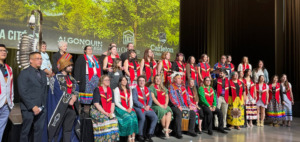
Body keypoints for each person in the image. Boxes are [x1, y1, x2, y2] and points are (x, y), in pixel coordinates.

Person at [45, 59, 80, 142]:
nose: (71, 67)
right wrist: (69, 99)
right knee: (56, 129)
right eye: (69, 65)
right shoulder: (55, 78)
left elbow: (76, 88)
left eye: (71, 65)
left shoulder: (72, 79)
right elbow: (57, 92)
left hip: (71, 108)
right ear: (63, 66)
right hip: (60, 108)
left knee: (68, 130)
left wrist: (74, 96)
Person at [18, 52, 47, 142]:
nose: (40, 61)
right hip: (28, 108)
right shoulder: (24, 73)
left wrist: (43, 105)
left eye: (41, 59)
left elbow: (44, 90)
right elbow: (22, 92)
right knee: (25, 132)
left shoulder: (43, 73)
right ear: (31, 60)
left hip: (41, 108)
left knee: (39, 132)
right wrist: (32, 106)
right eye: (37, 59)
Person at [90, 75, 119, 141]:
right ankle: (103, 140)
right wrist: (105, 113)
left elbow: (112, 102)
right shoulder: (97, 89)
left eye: (108, 80)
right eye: (106, 80)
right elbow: (96, 104)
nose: (108, 81)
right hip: (97, 110)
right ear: (102, 81)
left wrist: (111, 112)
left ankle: (112, 140)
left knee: (114, 120)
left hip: (108, 110)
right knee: (106, 120)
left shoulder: (110, 90)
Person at [169, 73, 197, 139]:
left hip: (183, 105)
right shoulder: (171, 86)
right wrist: (178, 106)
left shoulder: (183, 87)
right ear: (174, 80)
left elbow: (187, 98)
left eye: (180, 78)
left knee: (192, 113)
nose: (180, 79)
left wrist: (190, 105)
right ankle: (178, 132)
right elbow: (172, 98)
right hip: (174, 106)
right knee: (178, 113)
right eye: (178, 78)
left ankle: (190, 130)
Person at [132, 75, 158, 142]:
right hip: (139, 107)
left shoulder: (148, 89)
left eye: (143, 81)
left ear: (145, 82)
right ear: (137, 82)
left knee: (155, 117)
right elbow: (135, 101)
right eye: (140, 81)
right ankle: (139, 135)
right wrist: (143, 106)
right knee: (142, 118)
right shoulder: (135, 89)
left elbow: (150, 99)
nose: (141, 82)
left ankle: (149, 134)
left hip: (147, 107)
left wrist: (148, 106)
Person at [114, 77, 138, 142]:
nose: (124, 81)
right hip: (120, 108)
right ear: (120, 81)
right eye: (123, 80)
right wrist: (125, 109)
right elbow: (116, 102)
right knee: (129, 118)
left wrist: (130, 107)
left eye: (125, 80)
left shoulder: (129, 89)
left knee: (134, 118)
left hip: (128, 107)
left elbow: (131, 100)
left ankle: (133, 137)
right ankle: (129, 137)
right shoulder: (117, 89)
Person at [0, 44, 14, 140]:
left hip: (6, 105)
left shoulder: (9, 68)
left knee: (1, 130)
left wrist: (11, 102)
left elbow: (10, 86)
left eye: (5, 51)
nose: (4, 52)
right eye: (1, 50)